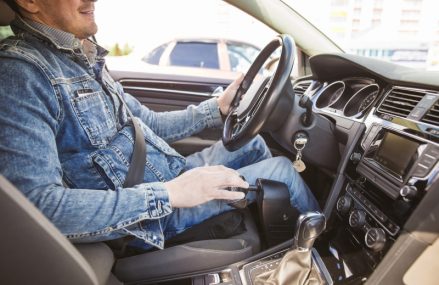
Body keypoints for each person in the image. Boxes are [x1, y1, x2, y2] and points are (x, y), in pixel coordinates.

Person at [0, 0, 319, 250]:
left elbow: (148, 123)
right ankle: (325, 250)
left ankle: (276, 237)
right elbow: (40, 209)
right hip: (148, 219)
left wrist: (218, 110)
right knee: (282, 173)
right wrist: (170, 194)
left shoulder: (80, 59)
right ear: (29, 1)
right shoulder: (22, 74)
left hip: (171, 174)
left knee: (251, 143)